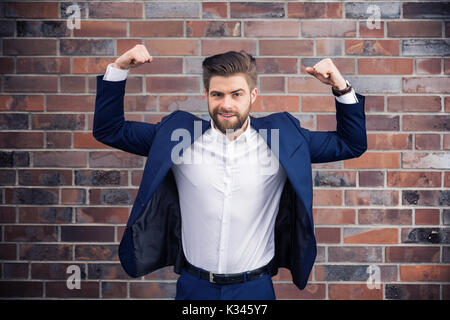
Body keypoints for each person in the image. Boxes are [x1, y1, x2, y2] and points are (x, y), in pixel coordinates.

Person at [93, 44, 367, 300]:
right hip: (194, 286)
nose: (226, 104)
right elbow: (109, 129)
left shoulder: (284, 139)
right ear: (206, 96)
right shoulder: (177, 137)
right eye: (217, 94)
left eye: (236, 94)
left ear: (253, 95)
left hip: (254, 289)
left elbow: (351, 143)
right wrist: (120, 67)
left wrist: (341, 88)